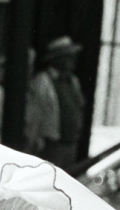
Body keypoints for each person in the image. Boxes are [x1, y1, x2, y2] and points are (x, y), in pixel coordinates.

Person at [30, 36, 86, 168]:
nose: (72, 60)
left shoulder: (73, 81)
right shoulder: (43, 80)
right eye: (67, 56)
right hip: (51, 144)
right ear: (56, 59)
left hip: (71, 143)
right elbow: (35, 114)